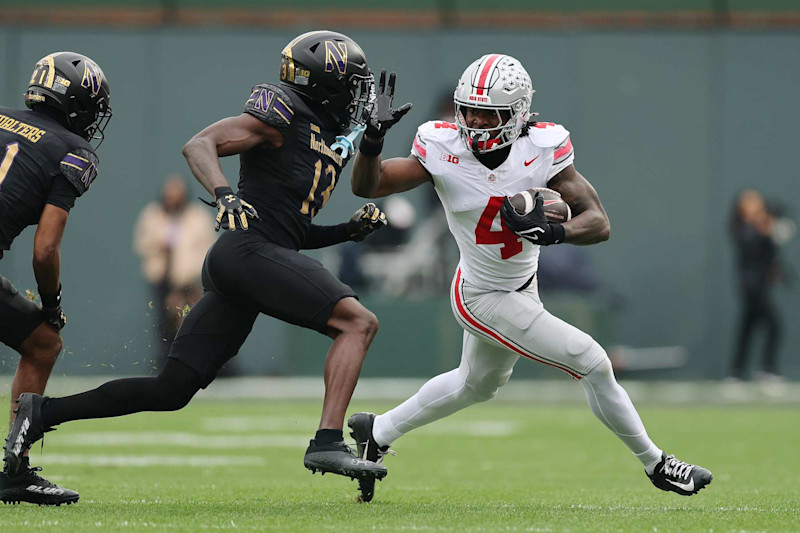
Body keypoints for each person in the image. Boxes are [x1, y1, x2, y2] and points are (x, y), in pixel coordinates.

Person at [3, 31, 404, 492]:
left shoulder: (323, 135)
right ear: (327, 83)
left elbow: (288, 232)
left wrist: (345, 231)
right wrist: (223, 192)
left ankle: (42, 413)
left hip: (253, 258)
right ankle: (328, 440)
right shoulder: (281, 115)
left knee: (171, 390)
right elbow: (200, 144)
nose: (358, 96)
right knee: (358, 323)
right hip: (246, 254)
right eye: (352, 84)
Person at [346, 54, 713, 502]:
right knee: (593, 362)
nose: (475, 123)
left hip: (522, 286)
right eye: (469, 110)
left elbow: (598, 222)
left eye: (488, 113)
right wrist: (372, 139)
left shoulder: (542, 147)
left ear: (518, 113)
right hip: (480, 294)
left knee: (476, 385)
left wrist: (555, 232)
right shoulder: (442, 148)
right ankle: (657, 464)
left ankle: (376, 432)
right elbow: (368, 186)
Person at [0, 52, 112, 505]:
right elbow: (45, 250)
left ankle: (15, 472)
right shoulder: (73, 150)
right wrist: (52, 303)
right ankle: (14, 468)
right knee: (45, 339)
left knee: (40, 344)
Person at [133, 174, 216, 367]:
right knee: (165, 325)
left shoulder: (197, 216)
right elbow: (141, 244)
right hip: (162, 280)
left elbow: (208, 247)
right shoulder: (153, 215)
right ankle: (167, 365)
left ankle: (202, 364)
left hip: (190, 281)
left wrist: (193, 275)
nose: (173, 197)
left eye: (177, 192)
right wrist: (158, 245)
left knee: (194, 323)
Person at [729, 189, 786, 381]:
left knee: (748, 327)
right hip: (751, 287)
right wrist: (763, 230)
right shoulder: (742, 228)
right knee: (772, 324)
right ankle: (765, 368)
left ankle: (738, 371)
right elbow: (749, 248)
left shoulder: (762, 226)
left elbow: (771, 255)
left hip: (761, 285)